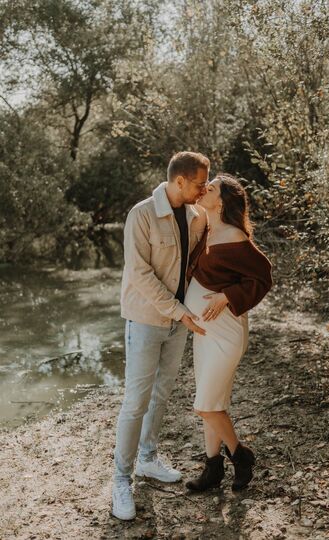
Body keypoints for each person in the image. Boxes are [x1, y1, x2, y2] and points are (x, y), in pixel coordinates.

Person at [112, 151, 210, 520]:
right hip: (146, 319)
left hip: (178, 323)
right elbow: (139, 274)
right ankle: (120, 480)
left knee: (163, 392)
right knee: (136, 400)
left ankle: (148, 459)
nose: (203, 190)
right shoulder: (140, 216)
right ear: (179, 180)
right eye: (199, 184)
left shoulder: (197, 216)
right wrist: (180, 312)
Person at [184, 173, 272, 492]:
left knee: (205, 405)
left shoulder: (234, 236)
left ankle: (240, 455)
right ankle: (213, 470)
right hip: (204, 333)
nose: (203, 191)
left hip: (224, 333)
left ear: (221, 200)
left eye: (210, 189)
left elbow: (262, 277)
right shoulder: (207, 228)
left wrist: (227, 296)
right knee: (214, 403)